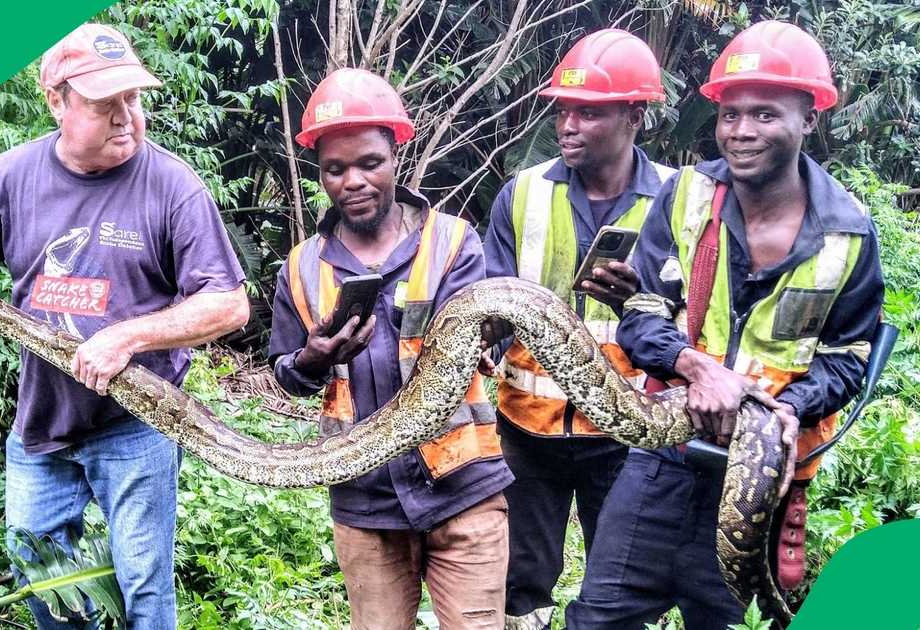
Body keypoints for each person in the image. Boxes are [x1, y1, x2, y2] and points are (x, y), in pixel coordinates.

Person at [0, 23, 249, 629]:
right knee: (44, 583)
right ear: (56, 100)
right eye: (103, 103)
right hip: (42, 424)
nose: (125, 118)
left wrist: (127, 336)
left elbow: (228, 304)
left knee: (143, 587)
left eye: (132, 99)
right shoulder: (14, 174)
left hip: (136, 425)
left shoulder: (173, 187)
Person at [566, 20, 884, 629]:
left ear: (808, 117)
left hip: (765, 475)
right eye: (730, 115)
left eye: (765, 115)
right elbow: (641, 308)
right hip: (665, 457)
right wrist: (695, 367)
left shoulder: (849, 232)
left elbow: (850, 357)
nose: (741, 132)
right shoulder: (686, 195)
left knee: (731, 621)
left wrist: (785, 409)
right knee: (598, 618)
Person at [269, 67, 513, 629]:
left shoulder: (454, 242)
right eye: (335, 169)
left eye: (369, 163)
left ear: (397, 155)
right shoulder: (301, 268)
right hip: (366, 502)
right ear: (321, 173)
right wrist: (312, 360)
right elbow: (284, 371)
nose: (352, 180)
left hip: (463, 489)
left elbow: (477, 343)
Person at [481, 29, 674, 629]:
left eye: (588, 112)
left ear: (635, 115)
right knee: (521, 584)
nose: (568, 125)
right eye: (563, 110)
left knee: (618, 586)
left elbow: (703, 319)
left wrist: (636, 304)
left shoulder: (680, 200)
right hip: (526, 427)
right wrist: (479, 338)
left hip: (627, 434)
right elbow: (489, 297)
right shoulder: (522, 195)